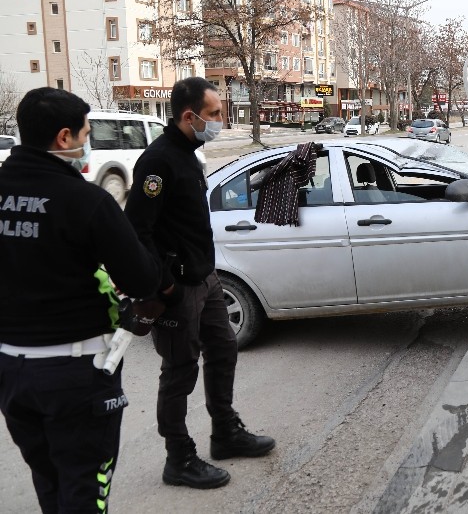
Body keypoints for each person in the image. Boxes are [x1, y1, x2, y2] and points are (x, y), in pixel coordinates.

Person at [0, 88, 163, 513]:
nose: (88, 142)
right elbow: (142, 278)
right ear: (65, 137)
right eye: (87, 133)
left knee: (48, 476)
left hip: (10, 369)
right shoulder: (85, 200)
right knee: (84, 487)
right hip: (75, 372)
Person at [125, 77, 275, 490]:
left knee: (224, 350)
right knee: (179, 371)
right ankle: (179, 457)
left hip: (205, 280)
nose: (219, 121)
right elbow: (139, 229)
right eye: (213, 115)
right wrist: (164, 289)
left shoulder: (190, 153)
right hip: (178, 288)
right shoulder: (158, 161)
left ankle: (225, 433)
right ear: (189, 116)